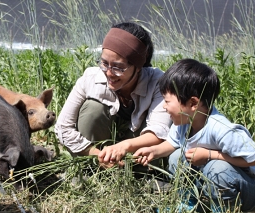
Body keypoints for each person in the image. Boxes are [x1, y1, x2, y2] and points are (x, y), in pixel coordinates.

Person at [134, 58, 255, 212]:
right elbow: (171, 144)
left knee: (218, 168)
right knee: (176, 156)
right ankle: (189, 204)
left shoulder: (221, 128)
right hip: (218, 181)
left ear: (193, 104)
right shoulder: (184, 122)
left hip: (253, 190)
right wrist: (153, 151)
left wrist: (210, 154)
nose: (164, 107)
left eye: (167, 101)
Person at [54, 22, 172, 168]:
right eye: (104, 63)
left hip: (135, 155)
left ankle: (136, 174)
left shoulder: (158, 83)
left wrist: (123, 146)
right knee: (93, 109)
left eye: (118, 67)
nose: (109, 73)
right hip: (96, 153)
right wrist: (99, 156)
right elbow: (63, 127)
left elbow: (159, 132)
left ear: (139, 66)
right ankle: (90, 169)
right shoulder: (90, 78)